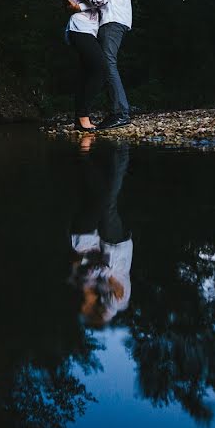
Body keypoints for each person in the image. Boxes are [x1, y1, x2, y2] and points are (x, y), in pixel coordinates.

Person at [71, 0, 133, 130]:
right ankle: (116, 111)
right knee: (104, 63)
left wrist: (79, 5)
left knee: (107, 62)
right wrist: (79, 6)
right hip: (108, 18)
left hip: (113, 17)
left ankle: (120, 113)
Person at [68, 136, 133, 327]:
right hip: (116, 246)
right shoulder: (116, 303)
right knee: (107, 203)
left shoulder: (91, 290)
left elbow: (85, 268)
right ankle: (119, 153)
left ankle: (92, 154)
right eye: (90, 312)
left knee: (99, 199)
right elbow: (111, 277)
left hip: (99, 241)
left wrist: (89, 292)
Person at [64, 0, 123, 131]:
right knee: (101, 69)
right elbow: (99, 0)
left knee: (86, 74)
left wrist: (79, 7)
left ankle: (79, 119)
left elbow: (95, 2)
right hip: (80, 31)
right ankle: (83, 117)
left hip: (85, 31)